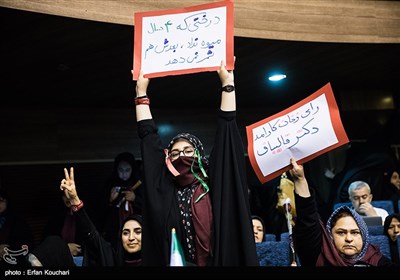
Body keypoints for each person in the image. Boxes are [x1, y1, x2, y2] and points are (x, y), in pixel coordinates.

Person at [133, 60, 258, 266]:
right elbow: (148, 139)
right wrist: (141, 93)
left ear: (200, 156)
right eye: (175, 153)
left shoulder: (214, 185)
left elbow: (226, 130)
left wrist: (228, 85)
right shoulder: (164, 191)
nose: (182, 156)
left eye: (188, 151)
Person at [291, 158, 394, 266]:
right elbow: (308, 219)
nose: (349, 239)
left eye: (355, 233)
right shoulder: (320, 257)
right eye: (341, 233)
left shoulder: (375, 259)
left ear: (364, 237)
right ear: (330, 235)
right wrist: (300, 180)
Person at [60, 167, 142, 266]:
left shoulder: (157, 259)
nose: (131, 237)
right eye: (125, 233)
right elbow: (92, 235)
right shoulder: (111, 259)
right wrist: (74, 201)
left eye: (138, 232)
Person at [102, 152, 143, 249]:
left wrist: (135, 199)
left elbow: (150, 208)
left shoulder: (139, 185)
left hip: (137, 235)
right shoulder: (109, 185)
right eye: (120, 170)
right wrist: (110, 200)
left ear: (132, 170)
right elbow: (101, 213)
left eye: (127, 170)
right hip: (115, 236)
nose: (124, 174)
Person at [0, 189, 34, 267]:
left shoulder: (18, 220)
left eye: (1, 201)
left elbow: (27, 243)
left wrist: (8, 250)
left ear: (7, 202)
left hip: (14, 261)